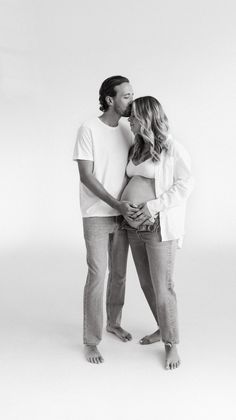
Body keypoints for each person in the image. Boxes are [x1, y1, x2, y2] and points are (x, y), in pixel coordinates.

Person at [120, 96, 194, 370]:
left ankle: (171, 344)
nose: (130, 120)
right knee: (147, 284)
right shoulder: (136, 147)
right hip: (133, 225)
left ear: (147, 117)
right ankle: (163, 328)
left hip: (158, 225)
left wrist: (151, 207)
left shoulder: (173, 148)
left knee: (163, 287)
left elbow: (185, 185)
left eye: (134, 116)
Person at [73, 75, 139, 364]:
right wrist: (117, 204)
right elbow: (86, 176)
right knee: (98, 275)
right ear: (110, 99)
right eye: (126, 96)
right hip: (98, 214)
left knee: (120, 274)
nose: (131, 100)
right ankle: (91, 340)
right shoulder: (88, 128)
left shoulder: (127, 130)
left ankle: (113, 322)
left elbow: (133, 169)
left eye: (131, 94)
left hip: (123, 215)